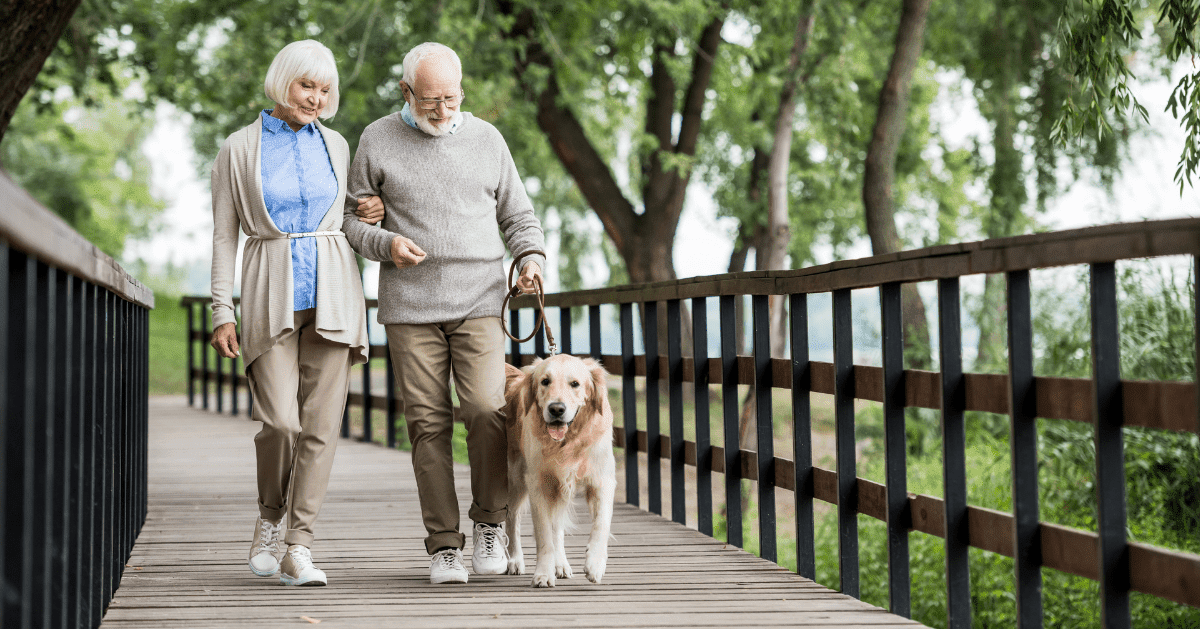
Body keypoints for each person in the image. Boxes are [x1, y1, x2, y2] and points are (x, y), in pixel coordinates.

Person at [342, 41, 546, 585]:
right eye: (430, 100)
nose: (441, 110)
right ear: (406, 91)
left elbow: (518, 214)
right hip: (410, 305)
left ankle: (490, 523)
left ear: (462, 91)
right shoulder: (377, 139)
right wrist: (385, 244)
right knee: (427, 423)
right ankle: (443, 546)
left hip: (479, 298)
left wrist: (530, 258)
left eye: (450, 99)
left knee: (485, 408)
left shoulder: (487, 139)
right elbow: (349, 219)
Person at [210, 39, 368, 587]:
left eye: (325, 90)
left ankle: (299, 546)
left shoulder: (338, 145)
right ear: (283, 83)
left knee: (322, 426)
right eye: (307, 86)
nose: (316, 98)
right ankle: (270, 519)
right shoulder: (239, 147)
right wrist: (219, 310)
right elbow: (225, 234)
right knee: (281, 422)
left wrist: (363, 208)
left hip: (334, 290)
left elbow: (338, 211)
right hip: (267, 290)